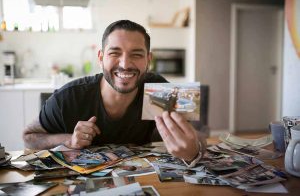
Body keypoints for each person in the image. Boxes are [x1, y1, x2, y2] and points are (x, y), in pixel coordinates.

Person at [23, 20, 207, 167]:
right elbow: (28, 137)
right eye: (115, 53)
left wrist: (194, 150)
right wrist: (69, 140)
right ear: (101, 58)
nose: (125, 64)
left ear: (148, 60)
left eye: (136, 54)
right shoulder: (70, 97)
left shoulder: (159, 89)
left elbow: (197, 135)